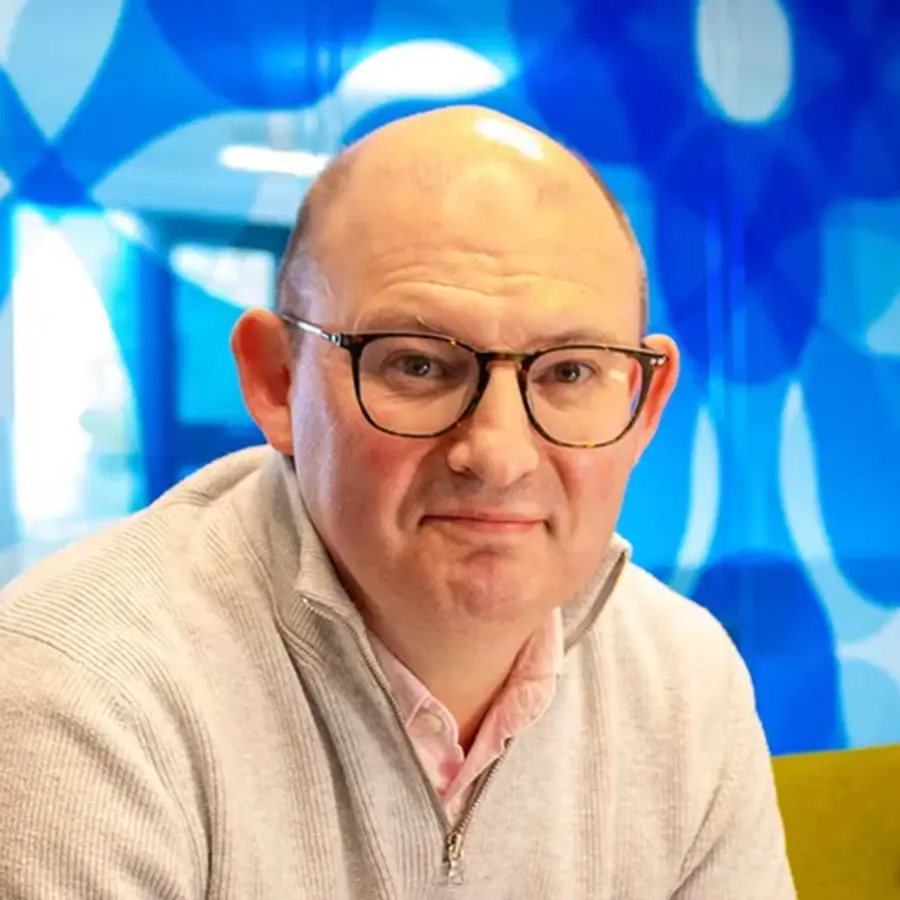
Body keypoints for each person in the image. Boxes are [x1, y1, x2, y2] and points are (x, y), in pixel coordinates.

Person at [0, 105, 795, 899]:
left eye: (569, 372)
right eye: (416, 365)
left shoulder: (684, 681)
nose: (499, 456)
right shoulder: (80, 691)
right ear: (277, 382)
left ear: (644, 406)